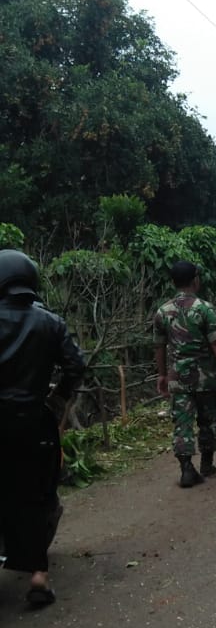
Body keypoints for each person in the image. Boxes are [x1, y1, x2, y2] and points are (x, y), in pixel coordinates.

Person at [0, 250, 85, 608]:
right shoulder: (50, 322)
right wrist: (58, 399)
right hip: (33, 422)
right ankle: (38, 577)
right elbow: (75, 366)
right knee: (37, 494)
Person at [153, 260, 216, 488]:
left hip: (178, 377)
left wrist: (162, 375)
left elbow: (159, 346)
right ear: (195, 280)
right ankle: (207, 463)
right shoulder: (204, 308)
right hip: (205, 377)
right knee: (208, 419)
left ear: (173, 282)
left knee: (182, 422)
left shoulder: (162, 312)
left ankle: (186, 469)